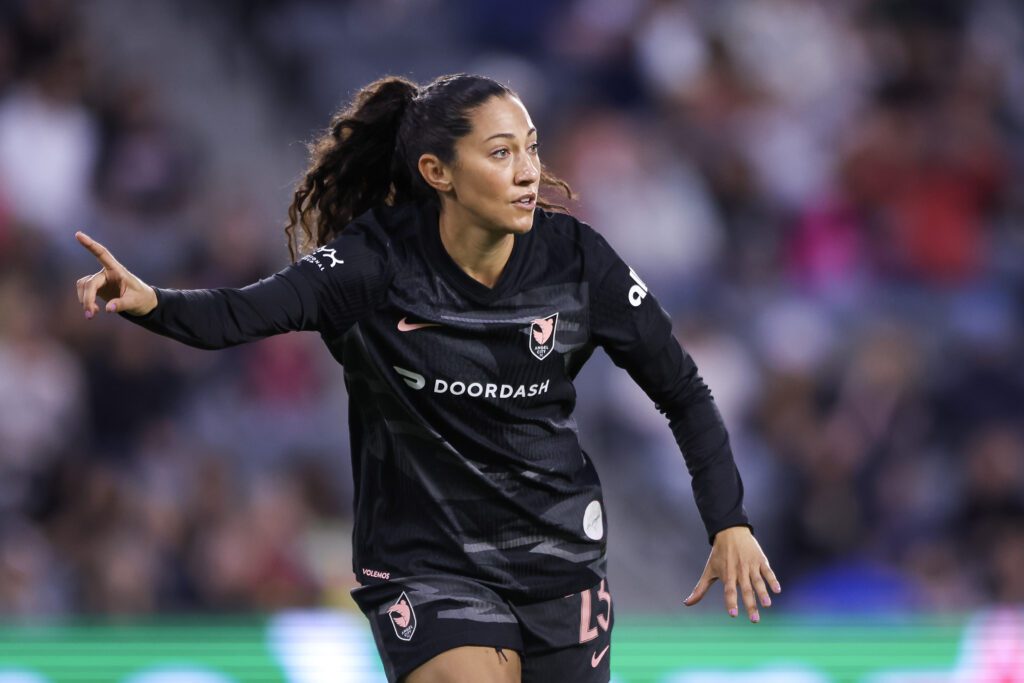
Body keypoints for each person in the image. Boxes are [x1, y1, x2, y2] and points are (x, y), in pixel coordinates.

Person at [75, 73, 780, 683]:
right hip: (427, 563)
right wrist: (151, 301)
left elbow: (682, 391)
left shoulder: (577, 261)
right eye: (500, 153)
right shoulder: (374, 263)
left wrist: (728, 519)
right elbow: (240, 313)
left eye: (531, 148)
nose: (528, 172)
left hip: (557, 560)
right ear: (438, 172)